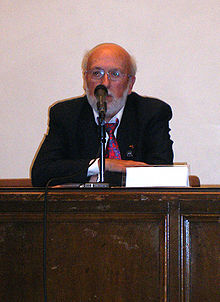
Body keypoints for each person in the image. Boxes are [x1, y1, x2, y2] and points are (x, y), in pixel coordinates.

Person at [31, 43, 173, 187]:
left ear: (130, 83)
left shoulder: (152, 113)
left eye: (115, 74)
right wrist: (103, 165)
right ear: (85, 80)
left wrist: (93, 180)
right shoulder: (66, 115)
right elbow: (41, 174)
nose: (104, 84)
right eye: (96, 73)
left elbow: (160, 176)